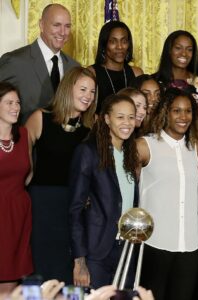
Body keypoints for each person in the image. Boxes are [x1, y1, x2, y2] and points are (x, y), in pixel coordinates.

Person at [25, 67, 96, 283]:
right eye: (83, 89)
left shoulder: (92, 128)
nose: (88, 96)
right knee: (39, 265)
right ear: (68, 88)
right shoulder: (41, 118)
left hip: (75, 206)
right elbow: (22, 160)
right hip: (42, 204)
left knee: (70, 270)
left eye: (93, 92)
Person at [137, 88, 198, 300]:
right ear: (165, 112)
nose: (183, 117)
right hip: (155, 242)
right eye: (176, 111)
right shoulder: (145, 145)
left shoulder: (196, 148)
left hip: (190, 244)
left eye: (187, 111)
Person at [69, 94, 139, 288]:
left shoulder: (130, 155)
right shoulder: (88, 152)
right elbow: (75, 209)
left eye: (131, 117)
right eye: (120, 117)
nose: (127, 123)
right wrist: (79, 260)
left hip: (126, 249)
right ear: (107, 119)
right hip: (95, 252)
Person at [0, 4, 79, 122]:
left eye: (67, 26)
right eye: (56, 25)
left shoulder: (74, 67)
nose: (63, 32)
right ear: (41, 25)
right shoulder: (15, 62)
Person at [0, 82, 33, 294]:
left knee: (11, 281)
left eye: (18, 103)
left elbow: (28, 173)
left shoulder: (23, 135)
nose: (15, 107)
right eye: (9, 102)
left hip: (18, 214)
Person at [153, 30, 198, 127]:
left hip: (193, 139)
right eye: (178, 48)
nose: (184, 54)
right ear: (169, 50)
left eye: (189, 49)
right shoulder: (154, 82)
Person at [90, 21, 143, 113]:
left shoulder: (137, 73)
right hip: (99, 126)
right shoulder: (92, 73)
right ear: (104, 45)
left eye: (124, 41)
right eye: (113, 42)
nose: (120, 47)